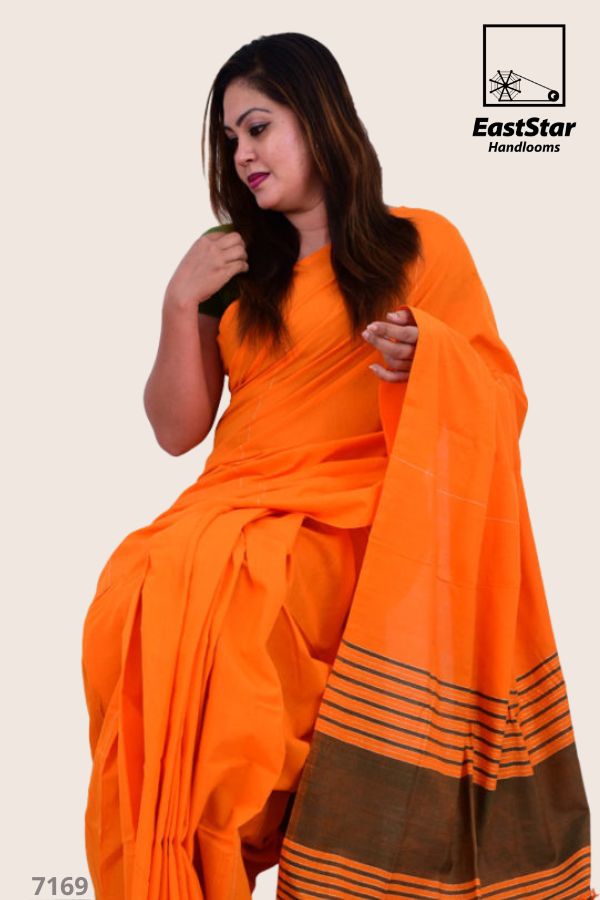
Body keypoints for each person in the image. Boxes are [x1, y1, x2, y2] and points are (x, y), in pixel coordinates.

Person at [81, 32, 594, 900]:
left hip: (362, 518)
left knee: (243, 610)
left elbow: (500, 396)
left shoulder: (420, 245)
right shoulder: (233, 272)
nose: (242, 155)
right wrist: (178, 303)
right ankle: (181, 868)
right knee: (140, 586)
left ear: (320, 122)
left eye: (258, 128)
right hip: (234, 504)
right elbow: (176, 431)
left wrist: (428, 359)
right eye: (229, 140)